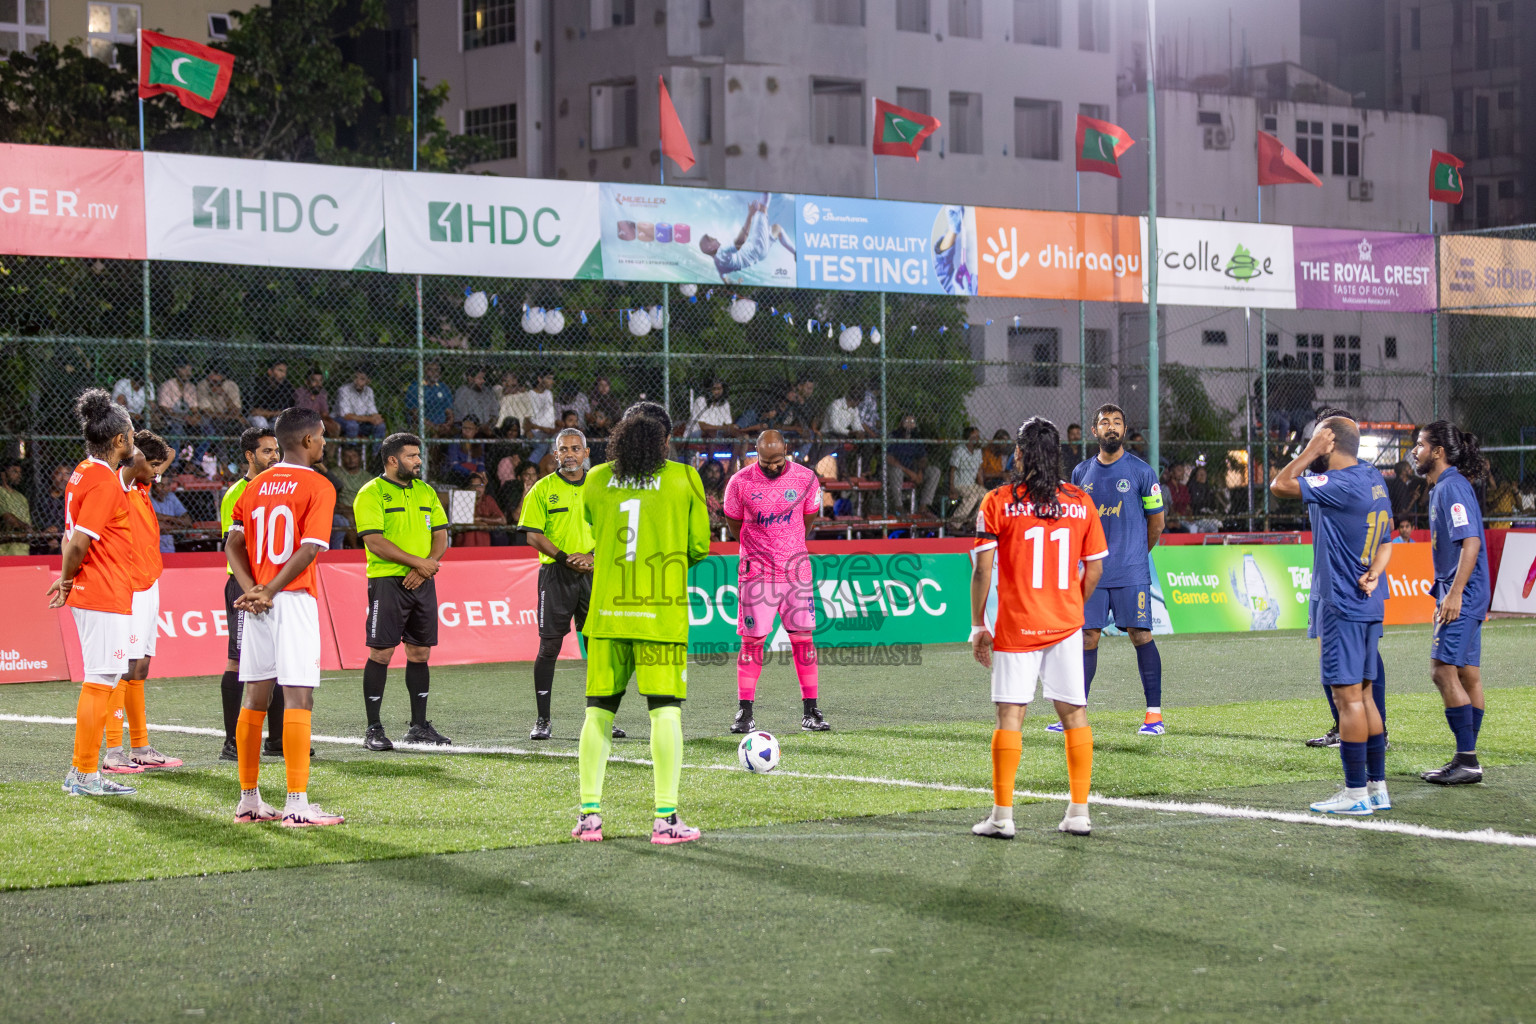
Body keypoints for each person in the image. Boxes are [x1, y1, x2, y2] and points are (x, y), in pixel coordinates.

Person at [572, 402, 710, 845]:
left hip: (608, 614)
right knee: (664, 712)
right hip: (660, 614)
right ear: (665, 440)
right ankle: (665, 820)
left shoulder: (595, 479)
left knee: (597, 712)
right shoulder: (684, 478)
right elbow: (699, 547)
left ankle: (589, 817)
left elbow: (594, 526)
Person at [970, 417, 1107, 839]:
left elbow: (982, 572)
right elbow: (1096, 567)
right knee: (1074, 713)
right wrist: (1069, 606)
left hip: (1016, 626)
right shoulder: (1081, 501)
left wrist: (979, 625)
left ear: (1021, 454)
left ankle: (1002, 817)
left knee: (1010, 714)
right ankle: (1079, 812)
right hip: (1065, 625)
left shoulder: (996, 501)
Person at [226, 407, 343, 827]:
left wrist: (252, 589)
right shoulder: (318, 485)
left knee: (255, 697)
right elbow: (309, 549)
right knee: (298, 697)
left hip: (258, 602)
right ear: (309, 440)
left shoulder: (254, 485)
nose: (325, 443)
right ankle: (296, 804)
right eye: (323, 437)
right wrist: (271, 590)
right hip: (290, 599)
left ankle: (248, 800)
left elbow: (232, 544)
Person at [1271, 416, 1393, 816]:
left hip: (1342, 602)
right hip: (1368, 602)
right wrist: (1376, 570)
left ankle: (1355, 793)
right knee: (1366, 697)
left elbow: (1280, 485)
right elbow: (1388, 539)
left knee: (1348, 701)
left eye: (1317, 439)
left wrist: (1309, 452)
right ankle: (1376, 788)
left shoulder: (1339, 484)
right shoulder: (1374, 479)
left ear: (1329, 443)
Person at [46, 390, 139, 798]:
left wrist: (69, 577)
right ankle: (83, 774)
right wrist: (66, 579)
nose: (134, 438)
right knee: (101, 679)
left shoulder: (84, 470)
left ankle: (83, 773)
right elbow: (79, 542)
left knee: (103, 677)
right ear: (119, 439)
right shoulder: (102, 480)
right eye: (132, 433)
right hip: (102, 589)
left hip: (99, 588)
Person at [520, 428, 626, 742]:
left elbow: (618, 528)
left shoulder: (603, 487)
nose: (570, 454)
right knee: (549, 646)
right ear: (556, 454)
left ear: (586, 452)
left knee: (599, 646)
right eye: (564, 449)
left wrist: (593, 556)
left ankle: (604, 718)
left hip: (596, 572)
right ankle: (543, 719)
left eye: (575, 448)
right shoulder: (541, 489)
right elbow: (533, 535)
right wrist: (567, 558)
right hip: (556, 575)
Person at [1069, 404, 1167, 735]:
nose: (1111, 427)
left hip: (1131, 572)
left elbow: (1157, 523)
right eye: (1104, 423)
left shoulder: (1142, 472)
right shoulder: (1080, 474)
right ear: (1094, 431)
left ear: (1124, 430)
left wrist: (1136, 555)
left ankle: (1154, 716)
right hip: (1092, 574)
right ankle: (1075, 714)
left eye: (1117, 423)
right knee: (1086, 638)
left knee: (1141, 635)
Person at [352, 432, 452, 752]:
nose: (419, 461)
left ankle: (419, 726)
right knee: (381, 653)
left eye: (419, 455)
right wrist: (419, 564)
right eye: (412, 456)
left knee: (420, 653)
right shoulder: (371, 493)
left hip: (422, 580)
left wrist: (428, 565)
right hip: (387, 582)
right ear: (393, 460)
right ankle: (373, 728)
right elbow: (375, 541)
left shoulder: (426, 491)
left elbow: (441, 535)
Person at [724, 428, 827, 734]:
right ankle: (745, 712)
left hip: (796, 573)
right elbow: (734, 525)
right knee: (752, 642)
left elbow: (807, 520)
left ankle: (812, 710)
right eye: (765, 461)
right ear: (756, 453)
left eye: (777, 460)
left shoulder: (806, 478)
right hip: (756, 574)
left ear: (786, 451)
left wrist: (788, 545)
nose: (771, 466)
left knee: (803, 640)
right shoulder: (739, 482)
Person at [1414, 421, 1492, 786]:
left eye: (1419, 445)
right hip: (1466, 591)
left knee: (1441, 671)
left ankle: (1467, 760)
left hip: (1464, 593)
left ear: (1438, 452)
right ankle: (1466, 757)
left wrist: (1456, 593)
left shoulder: (1451, 488)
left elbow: (1471, 543)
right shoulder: (1446, 487)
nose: (1415, 451)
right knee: (1467, 674)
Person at [101, 431, 182, 774]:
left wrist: (150, 452)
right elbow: (143, 463)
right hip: (130, 586)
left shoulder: (143, 486)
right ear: (134, 461)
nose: (157, 471)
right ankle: (114, 752)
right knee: (124, 667)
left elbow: (170, 454)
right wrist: (136, 453)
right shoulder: (119, 486)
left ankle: (140, 747)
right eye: (150, 465)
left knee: (141, 667)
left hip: (150, 584)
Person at [218, 427, 285, 762]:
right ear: (249, 456)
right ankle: (232, 742)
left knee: (280, 660)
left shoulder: (280, 490)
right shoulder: (237, 494)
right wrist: (252, 591)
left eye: (276, 450)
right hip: (246, 588)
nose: (274, 457)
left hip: (275, 587)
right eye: (266, 451)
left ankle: (277, 740)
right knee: (238, 659)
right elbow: (234, 548)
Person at [698, 191, 793, 283]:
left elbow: (725, 279)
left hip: (761, 255)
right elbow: (740, 242)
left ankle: (796, 253)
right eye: (711, 239)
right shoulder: (721, 252)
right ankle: (766, 183)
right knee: (762, 209)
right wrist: (750, 215)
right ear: (710, 247)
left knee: (777, 228)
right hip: (756, 247)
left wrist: (736, 283)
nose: (715, 238)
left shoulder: (718, 265)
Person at [888, 413, 940, 513]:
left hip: (913, 469)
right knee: (896, 471)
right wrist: (908, 472)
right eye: (907, 421)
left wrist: (920, 471)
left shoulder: (916, 437)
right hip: (898, 469)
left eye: (912, 422)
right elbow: (889, 458)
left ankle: (923, 507)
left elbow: (923, 458)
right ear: (900, 423)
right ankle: (899, 506)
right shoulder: (893, 435)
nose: (909, 425)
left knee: (935, 471)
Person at [948, 426, 987, 529]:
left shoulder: (978, 451)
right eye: (974, 436)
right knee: (973, 496)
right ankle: (954, 524)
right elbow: (952, 469)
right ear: (967, 438)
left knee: (986, 495)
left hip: (971, 484)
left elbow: (979, 470)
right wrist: (952, 488)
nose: (977, 439)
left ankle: (973, 523)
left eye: (978, 436)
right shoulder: (959, 450)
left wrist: (981, 486)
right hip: (959, 484)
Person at [405, 360, 455, 437]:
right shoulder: (415, 387)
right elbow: (415, 414)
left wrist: (448, 424)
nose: (434, 373)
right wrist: (434, 427)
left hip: (443, 426)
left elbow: (449, 411)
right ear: (423, 371)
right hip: (424, 426)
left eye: (437, 370)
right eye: (430, 369)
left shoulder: (443, 387)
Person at [157, 360, 205, 439]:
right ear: (176, 371)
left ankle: (199, 451)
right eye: (184, 369)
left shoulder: (191, 387)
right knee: (177, 428)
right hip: (170, 420)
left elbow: (194, 409)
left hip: (188, 420)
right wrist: (184, 418)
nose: (188, 373)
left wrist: (195, 418)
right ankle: (176, 451)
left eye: (189, 370)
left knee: (206, 427)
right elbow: (164, 409)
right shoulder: (167, 385)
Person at [337, 369, 387, 444]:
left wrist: (378, 418)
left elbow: (372, 411)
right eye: (356, 377)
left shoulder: (369, 391)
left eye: (362, 379)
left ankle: (376, 454)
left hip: (362, 423)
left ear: (368, 381)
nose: (357, 381)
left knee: (381, 426)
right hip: (344, 421)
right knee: (353, 425)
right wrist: (370, 419)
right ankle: (352, 451)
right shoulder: (344, 390)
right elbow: (347, 416)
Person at [459, 472, 507, 547]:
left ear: (484, 487)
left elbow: (502, 520)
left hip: (483, 545)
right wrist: (481, 524)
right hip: (465, 545)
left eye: (480, 486)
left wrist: (480, 519)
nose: (477, 489)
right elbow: (460, 521)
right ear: (468, 488)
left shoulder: (487, 499)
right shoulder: (463, 498)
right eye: (474, 486)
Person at [197, 365, 245, 436]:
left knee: (243, 426)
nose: (214, 385)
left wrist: (224, 395)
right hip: (212, 419)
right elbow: (207, 413)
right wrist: (230, 417)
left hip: (228, 418)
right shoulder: (203, 385)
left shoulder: (231, 385)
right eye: (212, 381)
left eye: (217, 382)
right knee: (218, 423)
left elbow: (236, 411)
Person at [247, 361, 295, 430]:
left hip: (275, 418)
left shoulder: (287, 387)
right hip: (258, 418)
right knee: (260, 422)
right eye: (280, 370)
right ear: (270, 371)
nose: (283, 375)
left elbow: (286, 413)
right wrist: (275, 413)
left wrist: (268, 413)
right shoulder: (259, 384)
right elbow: (254, 412)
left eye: (285, 372)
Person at [293, 368, 341, 438]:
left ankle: (327, 449)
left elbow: (324, 413)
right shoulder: (300, 392)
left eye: (320, 380)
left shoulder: (322, 393)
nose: (318, 383)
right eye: (314, 380)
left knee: (335, 427)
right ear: (307, 382)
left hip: (319, 420)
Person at [149, 476, 191, 554]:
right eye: (160, 485)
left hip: (169, 549)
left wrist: (166, 518)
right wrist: (176, 523)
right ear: (153, 485)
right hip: (150, 549)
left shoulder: (171, 497)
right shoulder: (147, 498)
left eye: (167, 485)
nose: (164, 488)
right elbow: (156, 526)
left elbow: (187, 521)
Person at [444, 416, 487, 485]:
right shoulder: (456, 441)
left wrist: (482, 471)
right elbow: (454, 464)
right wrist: (470, 472)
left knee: (485, 480)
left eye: (470, 428)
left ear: (476, 430)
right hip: (459, 472)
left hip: (474, 471)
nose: (467, 430)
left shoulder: (479, 442)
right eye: (464, 428)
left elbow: (480, 462)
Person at [34, 463, 72, 542]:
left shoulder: (71, 499)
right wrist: (46, 530)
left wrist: (58, 528)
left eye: (67, 474)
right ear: (52, 475)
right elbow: (36, 519)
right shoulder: (41, 497)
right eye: (60, 474)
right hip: (41, 538)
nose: (63, 478)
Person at [0, 461, 31, 555]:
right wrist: (25, 527)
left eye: (19, 472)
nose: (18, 475)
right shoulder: (1, 493)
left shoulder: (21, 497)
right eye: (14, 471)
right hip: (5, 552)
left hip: (23, 550)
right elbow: (7, 517)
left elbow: (28, 523)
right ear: (3, 474)